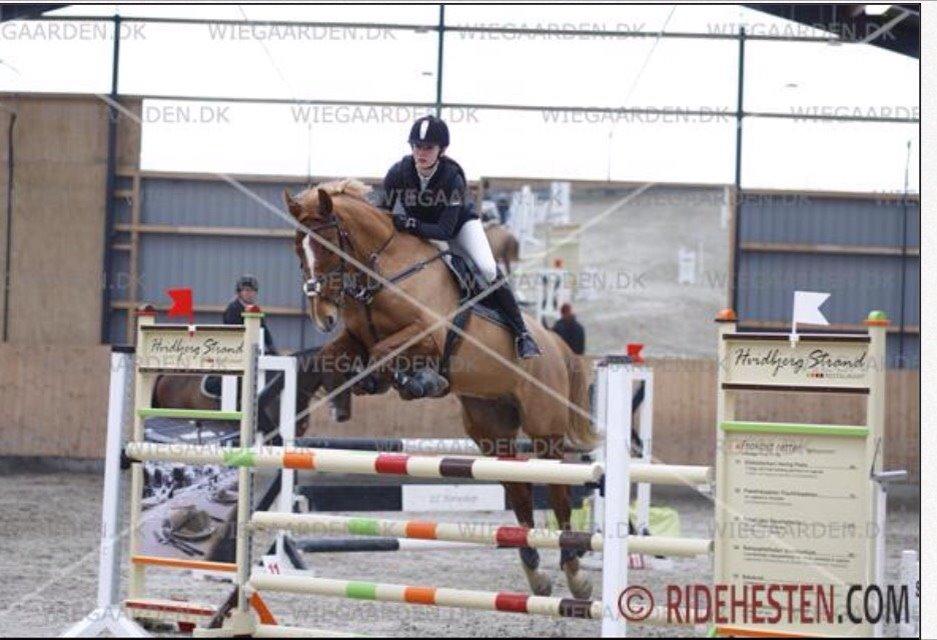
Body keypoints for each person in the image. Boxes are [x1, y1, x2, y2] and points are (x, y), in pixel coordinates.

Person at [380, 114, 540, 358]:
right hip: (423, 229)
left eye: (428, 148)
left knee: (487, 268)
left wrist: (410, 223)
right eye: (417, 146)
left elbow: (445, 231)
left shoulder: (452, 177)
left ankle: (522, 334)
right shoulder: (398, 173)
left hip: (459, 226)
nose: (421, 153)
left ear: (441, 150)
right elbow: (384, 213)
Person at [223, 274, 277, 354]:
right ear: (239, 292)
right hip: (235, 350)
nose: (250, 293)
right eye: (246, 290)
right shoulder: (232, 309)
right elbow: (232, 333)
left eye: (253, 290)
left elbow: (264, 330)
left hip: (251, 349)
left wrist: (272, 348)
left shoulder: (255, 309)